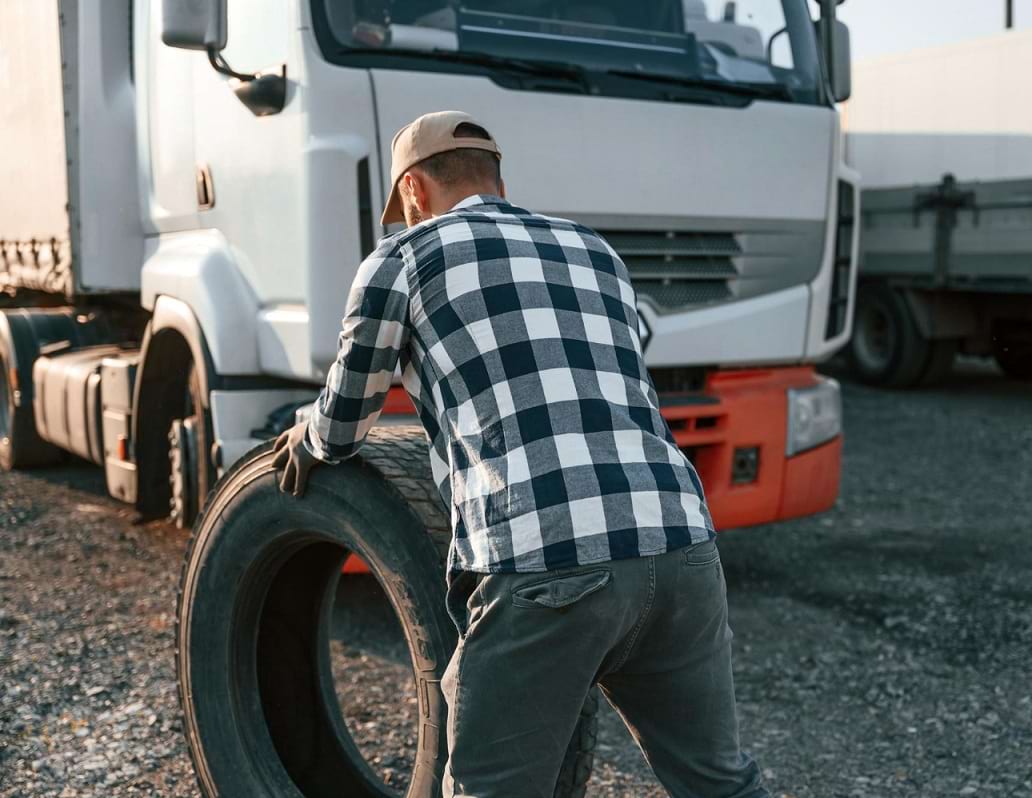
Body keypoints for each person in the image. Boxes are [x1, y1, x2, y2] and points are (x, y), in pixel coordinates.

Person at [271, 110, 770, 798]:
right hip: (682, 545)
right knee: (720, 783)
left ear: (413, 190)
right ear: (496, 178)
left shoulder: (402, 258)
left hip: (546, 561)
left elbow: (347, 416)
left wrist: (307, 438)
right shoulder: (593, 250)